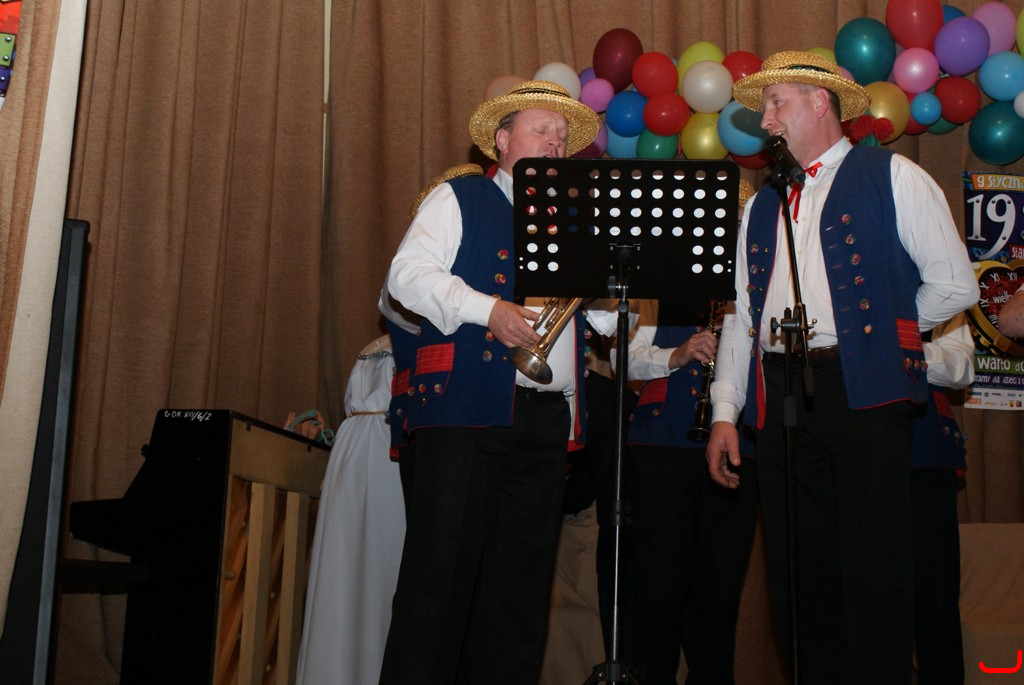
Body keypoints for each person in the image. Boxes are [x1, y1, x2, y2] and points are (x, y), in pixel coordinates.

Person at [705, 51, 980, 683]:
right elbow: (743, 319)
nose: (765, 119)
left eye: (776, 103)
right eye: (765, 107)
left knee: (872, 569)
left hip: (861, 386)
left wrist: (874, 334)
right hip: (780, 394)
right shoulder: (762, 206)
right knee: (796, 575)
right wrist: (724, 411)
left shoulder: (894, 176)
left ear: (819, 102)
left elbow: (955, 284)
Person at [376, 80, 617, 685]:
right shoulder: (460, 197)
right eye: (542, 130)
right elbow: (406, 276)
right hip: (467, 416)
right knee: (437, 590)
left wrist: (612, 280)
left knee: (518, 603)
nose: (556, 143)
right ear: (503, 141)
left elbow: (607, 325)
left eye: (563, 137)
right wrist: (490, 311)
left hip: (546, 422)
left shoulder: (573, 221)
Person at [623, 298, 758, 684]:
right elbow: (623, 359)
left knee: (720, 591)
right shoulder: (659, 282)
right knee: (658, 588)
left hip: (740, 445)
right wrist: (676, 355)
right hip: (662, 443)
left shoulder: (754, 277)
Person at [295, 335, 406, 685]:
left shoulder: (379, 345)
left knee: (364, 575)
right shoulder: (395, 343)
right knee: (354, 572)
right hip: (381, 450)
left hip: (364, 450)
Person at [911, 313, 973, 684]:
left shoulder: (940, 287)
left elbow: (962, 366)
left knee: (935, 602)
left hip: (925, 456)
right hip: (847, 451)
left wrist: (902, 350)